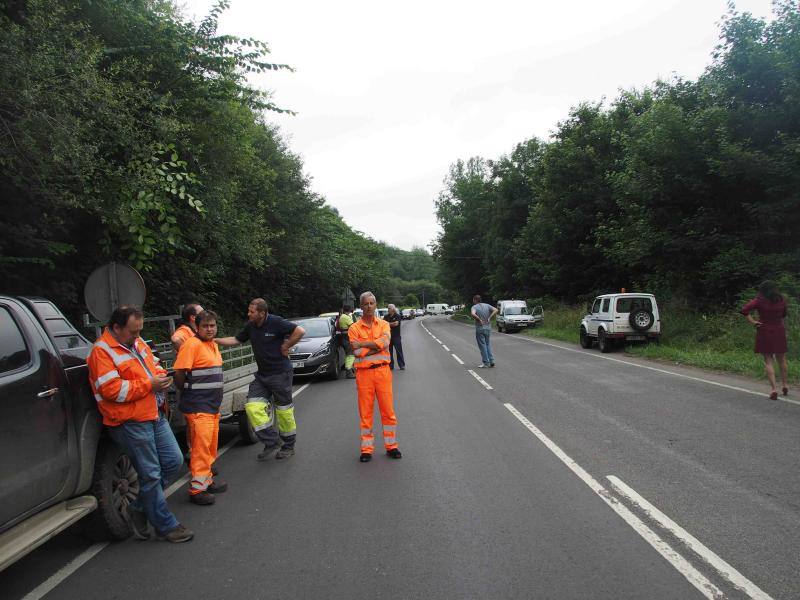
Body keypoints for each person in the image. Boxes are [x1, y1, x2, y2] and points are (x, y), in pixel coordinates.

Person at [87, 306, 193, 543]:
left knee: (174, 462)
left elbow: (152, 363)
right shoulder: (101, 352)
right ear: (116, 327)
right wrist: (150, 385)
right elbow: (111, 389)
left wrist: (161, 375)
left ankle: (139, 508)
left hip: (153, 414)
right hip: (129, 421)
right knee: (151, 474)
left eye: (139, 332)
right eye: (133, 332)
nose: (138, 336)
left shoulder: (136, 342)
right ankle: (166, 526)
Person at [216, 298, 305, 460]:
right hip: (262, 376)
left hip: (280, 374)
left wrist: (286, 346)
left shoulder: (276, 322)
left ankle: (288, 446)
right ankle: (271, 441)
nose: (248, 314)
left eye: (252, 311)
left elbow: (299, 331)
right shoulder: (251, 326)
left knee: (284, 411)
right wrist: (213, 340)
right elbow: (236, 340)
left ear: (262, 313)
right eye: (249, 311)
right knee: (252, 406)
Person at [173, 310, 227, 505]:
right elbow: (179, 373)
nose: (210, 329)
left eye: (212, 325)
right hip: (198, 406)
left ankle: (207, 481)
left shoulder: (211, 345)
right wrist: (185, 390)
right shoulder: (191, 345)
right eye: (205, 326)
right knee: (200, 449)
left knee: (210, 446)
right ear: (197, 326)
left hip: (211, 406)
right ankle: (197, 490)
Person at [348, 291, 402, 462]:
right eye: (366, 304)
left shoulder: (384, 324)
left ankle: (391, 446)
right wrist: (376, 346)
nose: (369, 306)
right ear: (361, 306)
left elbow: (385, 343)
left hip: (383, 372)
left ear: (376, 305)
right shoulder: (353, 328)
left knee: (388, 411)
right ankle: (366, 449)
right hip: (364, 375)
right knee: (366, 413)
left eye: (372, 303)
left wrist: (364, 344)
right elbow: (356, 352)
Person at [741, 281, 789, 400]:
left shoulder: (759, 300)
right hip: (779, 330)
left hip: (764, 330)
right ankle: (785, 385)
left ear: (762, 290)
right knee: (782, 359)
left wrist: (753, 322)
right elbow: (784, 314)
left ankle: (773, 389)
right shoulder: (781, 299)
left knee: (768, 360)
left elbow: (744, 310)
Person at [471, 295, 497, 368]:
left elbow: (473, 313)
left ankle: (486, 362)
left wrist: (479, 319)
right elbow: (496, 310)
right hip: (488, 328)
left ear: (475, 300)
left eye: (473, 300)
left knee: (482, 345)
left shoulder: (474, 307)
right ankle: (491, 361)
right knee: (487, 344)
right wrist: (489, 317)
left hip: (480, 328)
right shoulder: (487, 305)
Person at [336, 304, 356, 378]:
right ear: (350, 310)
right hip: (347, 338)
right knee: (350, 355)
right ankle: (349, 373)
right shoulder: (345, 317)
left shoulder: (342, 316)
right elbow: (353, 326)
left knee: (349, 355)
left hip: (344, 337)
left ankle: (351, 370)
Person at [385, 303, 405, 370]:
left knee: (399, 351)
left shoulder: (397, 316)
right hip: (388, 337)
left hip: (396, 336)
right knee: (389, 352)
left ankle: (402, 365)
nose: (388, 309)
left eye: (389, 308)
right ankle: (391, 365)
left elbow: (396, 324)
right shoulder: (386, 316)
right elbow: (383, 325)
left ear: (393, 309)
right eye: (388, 308)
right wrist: (391, 324)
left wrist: (388, 324)